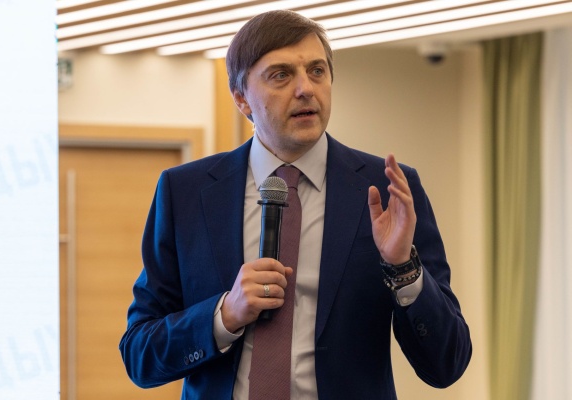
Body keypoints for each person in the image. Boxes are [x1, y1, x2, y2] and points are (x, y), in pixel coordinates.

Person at [119, 10, 472, 400]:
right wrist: (224, 315)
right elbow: (140, 355)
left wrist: (403, 268)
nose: (305, 89)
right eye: (281, 75)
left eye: (317, 71)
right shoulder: (185, 192)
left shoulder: (387, 190)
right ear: (241, 99)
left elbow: (447, 364)